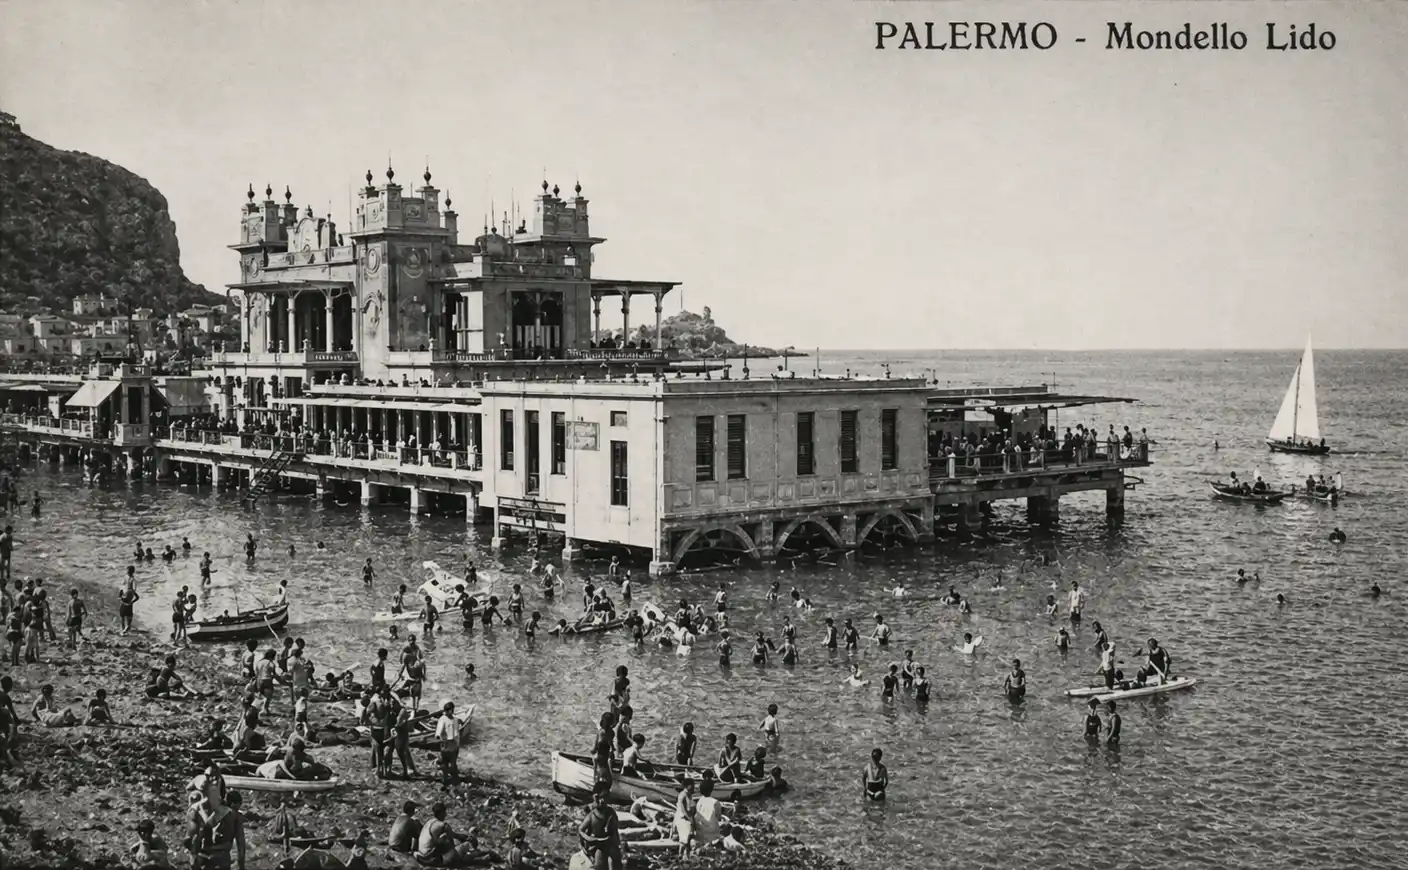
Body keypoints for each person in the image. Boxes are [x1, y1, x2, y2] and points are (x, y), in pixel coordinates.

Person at [191, 788, 247, 870]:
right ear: (233, 803)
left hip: (206, 854)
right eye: (239, 804)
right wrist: (241, 865)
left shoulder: (219, 811)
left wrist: (195, 854)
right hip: (222, 857)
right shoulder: (236, 817)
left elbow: (204, 829)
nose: (240, 807)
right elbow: (241, 843)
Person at [415, 802, 479, 866]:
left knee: (445, 839)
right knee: (465, 845)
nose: (445, 814)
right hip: (431, 856)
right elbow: (455, 836)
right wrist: (467, 838)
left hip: (421, 852)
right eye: (444, 812)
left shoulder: (429, 821)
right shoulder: (443, 825)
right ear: (441, 813)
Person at [578, 786, 623, 870]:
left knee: (614, 863)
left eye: (605, 797)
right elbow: (580, 830)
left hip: (611, 844)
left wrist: (617, 843)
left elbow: (615, 829)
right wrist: (590, 839)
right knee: (600, 864)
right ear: (596, 798)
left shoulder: (611, 812)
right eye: (600, 797)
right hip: (599, 846)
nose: (602, 800)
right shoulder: (592, 815)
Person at [693, 778, 723, 848]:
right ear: (711, 790)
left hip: (700, 832)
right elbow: (719, 818)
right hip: (712, 833)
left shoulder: (699, 801)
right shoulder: (715, 802)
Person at [673, 777, 696, 856]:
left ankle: (685, 856)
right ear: (686, 786)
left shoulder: (689, 795)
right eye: (692, 785)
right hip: (683, 819)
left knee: (688, 839)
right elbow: (683, 810)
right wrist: (691, 820)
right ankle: (681, 855)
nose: (693, 787)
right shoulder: (682, 796)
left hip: (687, 818)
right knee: (684, 840)